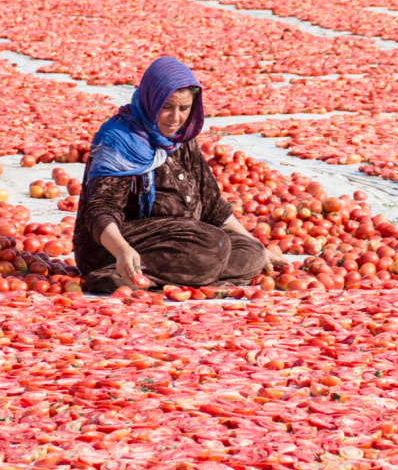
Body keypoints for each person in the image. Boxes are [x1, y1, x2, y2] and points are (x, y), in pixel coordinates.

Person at [72, 56, 282, 294]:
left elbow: (213, 207)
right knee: (210, 244)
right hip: (115, 244)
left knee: (249, 252)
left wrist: (258, 246)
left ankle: (165, 277)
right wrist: (121, 249)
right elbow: (101, 210)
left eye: (184, 108)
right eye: (167, 107)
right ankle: (115, 273)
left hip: (185, 239)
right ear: (151, 100)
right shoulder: (120, 139)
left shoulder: (182, 140)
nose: (176, 118)